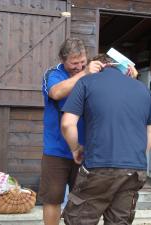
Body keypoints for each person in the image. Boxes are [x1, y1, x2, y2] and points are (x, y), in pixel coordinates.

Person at [61, 55, 151, 225]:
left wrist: (76, 148)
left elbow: (67, 124)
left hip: (99, 165)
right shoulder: (142, 89)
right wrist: (138, 154)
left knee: (80, 219)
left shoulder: (86, 82)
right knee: (119, 221)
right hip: (134, 169)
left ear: (98, 65)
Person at [39, 38, 103, 225]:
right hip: (56, 150)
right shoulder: (53, 74)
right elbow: (56, 92)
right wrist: (84, 73)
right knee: (52, 199)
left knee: (82, 201)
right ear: (63, 59)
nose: (79, 66)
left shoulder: (93, 73)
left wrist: (128, 74)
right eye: (74, 63)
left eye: (82, 62)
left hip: (86, 150)